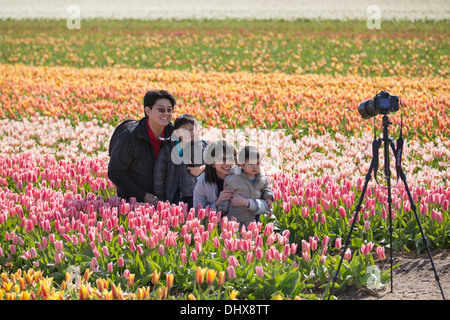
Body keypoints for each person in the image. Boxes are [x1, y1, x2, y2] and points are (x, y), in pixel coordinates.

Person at [108, 90, 176, 205]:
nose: (166, 113)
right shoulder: (130, 136)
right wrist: (143, 195)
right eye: (161, 109)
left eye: (169, 110)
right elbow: (115, 172)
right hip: (133, 201)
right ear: (148, 111)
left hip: (165, 200)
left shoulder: (175, 134)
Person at [154, 114, 208, 210]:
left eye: (191, 129)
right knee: (176, 216)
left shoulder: (202, 145)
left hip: (195, 191)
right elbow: (160, 173)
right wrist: (160, 195)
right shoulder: (168, 147)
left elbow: (207, 164)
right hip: (174, 191)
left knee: (194, 216)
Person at [219, 146, 274, 229]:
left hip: (254, 215)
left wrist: (268, 197)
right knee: (236, 237)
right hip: (236, 216)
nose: (255, 166)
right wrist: (223, 210)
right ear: (242, 165)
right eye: (251, 163)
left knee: (251, 237)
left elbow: (266, 188)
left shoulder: (262, 178)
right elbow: (227, 194)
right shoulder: (233, 179)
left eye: (257, 163)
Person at [193, 140, 236, 211]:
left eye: (230, 158)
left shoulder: (243, 177)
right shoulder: (203, 182)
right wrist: (218, 202)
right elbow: (198, 212)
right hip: (214, 221)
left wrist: (246, 202)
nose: (227, 163)